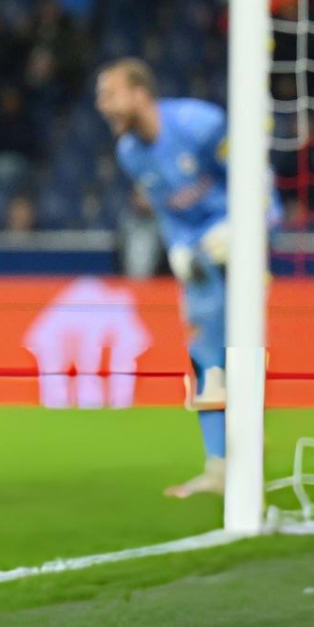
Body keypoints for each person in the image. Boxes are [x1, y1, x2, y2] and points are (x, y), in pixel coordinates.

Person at [96, 58, 273, 498]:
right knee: (204, 354)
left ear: (140, 93)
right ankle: (218, 465)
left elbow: (255, 177)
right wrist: (177, 246)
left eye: (111, 94)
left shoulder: (201, 124)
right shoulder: (130, 153)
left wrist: (245, 228)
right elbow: (168, 210)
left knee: (242, 346)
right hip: (198, 252)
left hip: (242, 236)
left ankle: (249, 444)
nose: (103, 105)